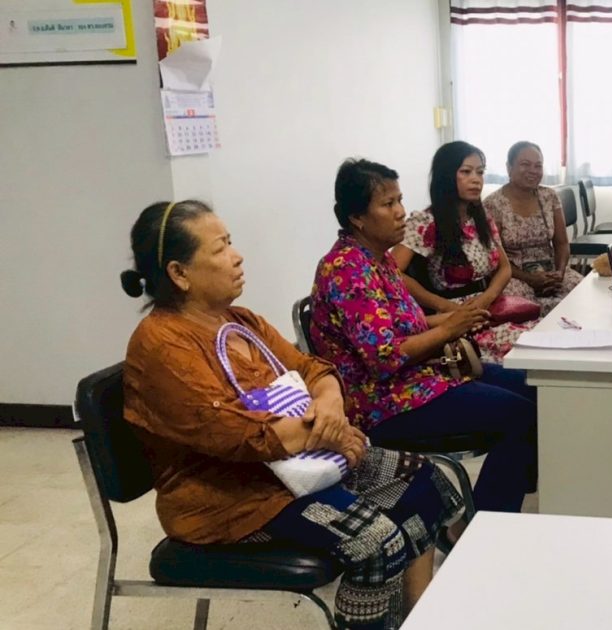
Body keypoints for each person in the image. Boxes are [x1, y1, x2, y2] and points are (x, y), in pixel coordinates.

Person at [120, 200, 463, 629]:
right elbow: (242, 436)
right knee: (377, 542)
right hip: (232, 502)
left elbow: (314, 369)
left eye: (231, 242)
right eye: (220, 248)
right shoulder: (162, 345)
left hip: (296, 464)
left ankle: (415, 618)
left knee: (423, 483)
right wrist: (331, 431)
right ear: (179, 273)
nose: (237, 256)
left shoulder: (240, 321)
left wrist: (330, 408)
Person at [309, 158, 538, 519]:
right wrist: (448, 329)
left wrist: (453, 319)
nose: (401, 212)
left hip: (421, 377)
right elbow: (384, 357)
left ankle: (508, 493)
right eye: (388, 204)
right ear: (357, 217)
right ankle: (483, 523)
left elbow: (403, 325)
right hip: (384, 402)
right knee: (519, 415)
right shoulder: (347, 269)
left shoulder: (378, 259)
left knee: (535, 385)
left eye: (400, 200)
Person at [393, 141, 533, 362]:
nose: (476, 179)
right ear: (447, 176)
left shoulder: (481, 217)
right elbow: (392, 272)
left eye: (480, 172)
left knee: (540, 336)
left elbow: (504, 267)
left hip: (490, 306)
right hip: (456, 317)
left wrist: (487, 297)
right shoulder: (425, 222)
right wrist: (441, 304)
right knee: (526, 349)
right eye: (466, 172)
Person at [483, 141, 582, 314]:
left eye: (538, 166)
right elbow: (495, 259)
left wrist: (559, 272)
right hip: (514, 276)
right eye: (525, 164)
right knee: (522, 308)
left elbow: (561, 243)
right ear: (509, 167)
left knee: (583, 295)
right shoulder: (493, 204)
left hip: (551, 272)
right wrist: (530, 279)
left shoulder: (549, 196)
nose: (533, 171)